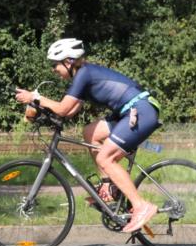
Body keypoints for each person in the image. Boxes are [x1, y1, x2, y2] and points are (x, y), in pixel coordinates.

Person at [14, 38, 162, 233]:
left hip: (140, 111)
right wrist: (41, 111)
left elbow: (63, 107)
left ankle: (141, 206)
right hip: (131, 112)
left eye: (54, 65)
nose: (53, 70)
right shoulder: (83, 76)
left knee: (105, 157)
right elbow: (68, 112)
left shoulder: (84, 74)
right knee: (90, 132)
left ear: (68, 62)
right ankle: (108, 188)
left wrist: (35, 97)